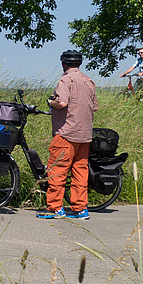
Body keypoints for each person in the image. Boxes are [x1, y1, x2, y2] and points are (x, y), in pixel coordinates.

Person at [37, 50, 97, 220]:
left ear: (63, 63)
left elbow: (61, 102)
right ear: (80, 63)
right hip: (85, 134)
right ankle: (80, 209)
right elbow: (94, 107)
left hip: (66, 134)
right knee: (80, 173)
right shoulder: (89, 81)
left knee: (57, 171)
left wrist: (51, 102)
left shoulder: (65, 79)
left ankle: (55, 208)